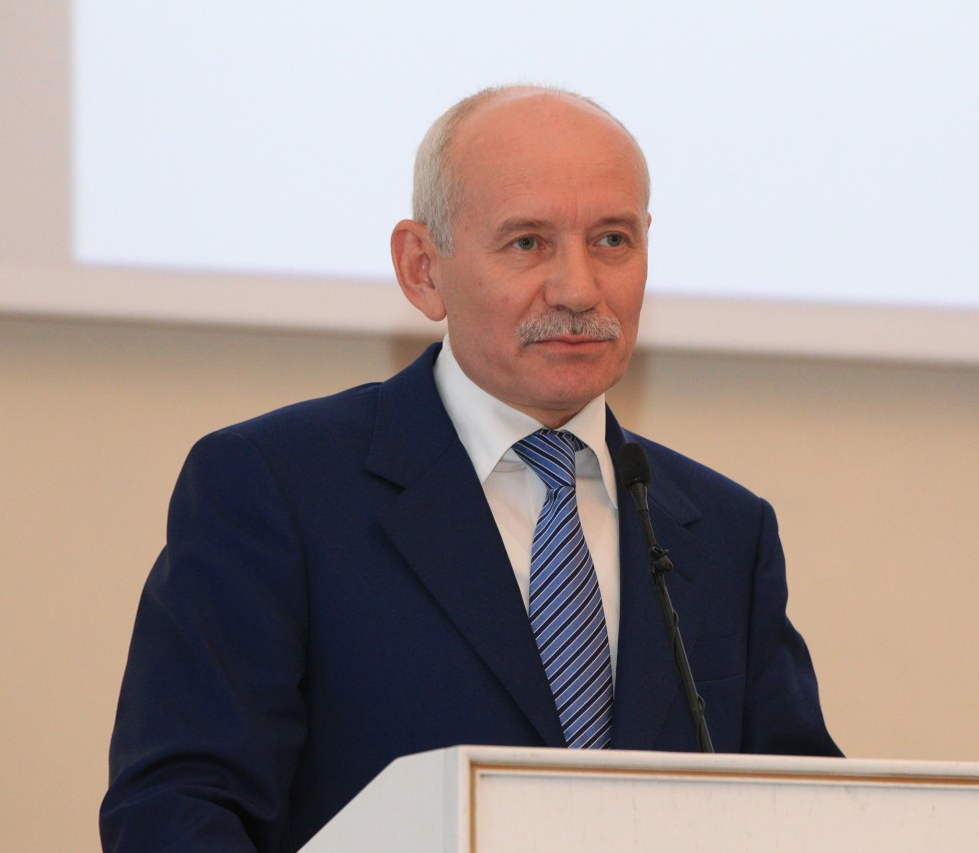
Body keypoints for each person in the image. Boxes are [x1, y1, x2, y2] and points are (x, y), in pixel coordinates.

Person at [101, 85, 840, 853]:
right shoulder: (275, 488)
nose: (579, 289)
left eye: (612, 240)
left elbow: (812, 814)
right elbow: (176, 810)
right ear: (422, 268)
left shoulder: (724, 531)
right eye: (527, 243)